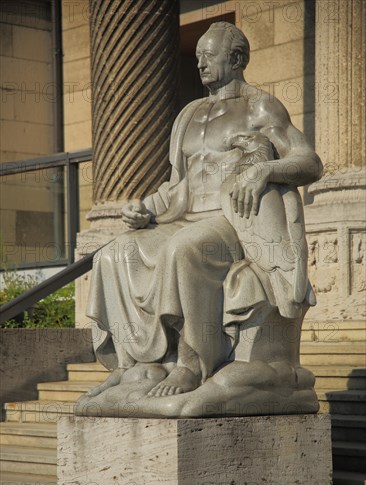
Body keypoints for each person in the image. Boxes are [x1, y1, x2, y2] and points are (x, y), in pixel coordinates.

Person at [85, 22, 322, 403]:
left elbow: (309, 161)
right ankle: (134, 364)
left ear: (237, 59)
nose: (200, 65)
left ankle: (192, 363)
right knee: (116, 252)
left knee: (185, 249)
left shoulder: (260, 105)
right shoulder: (188, 114)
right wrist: (145, 208)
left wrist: (265, 170)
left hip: (232, 221)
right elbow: (179, 184)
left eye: (209, 57)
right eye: (197, 58)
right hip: (182, 215)